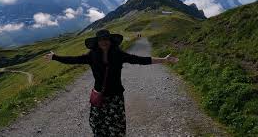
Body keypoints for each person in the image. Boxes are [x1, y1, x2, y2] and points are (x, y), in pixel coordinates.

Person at [44, 29, 179, 137]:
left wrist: (164, 59)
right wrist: (55, 57)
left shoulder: (118, 55)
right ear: (97, 42)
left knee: (116, 127)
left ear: (110, 41)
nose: (104, 42)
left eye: (106, 39)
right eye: (101, 40)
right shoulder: (91, 56)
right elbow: (73, 60)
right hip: (99, 97)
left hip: (115, 97)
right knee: (97, 125)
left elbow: (140, 60)